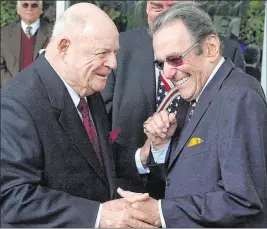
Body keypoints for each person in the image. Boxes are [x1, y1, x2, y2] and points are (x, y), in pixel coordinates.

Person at [1, 3, 159, 228]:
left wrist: (140, 157)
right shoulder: (16, 103)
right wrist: (98, 215)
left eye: (114, 52)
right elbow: (12, 198)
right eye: (103, 53)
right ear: (64, 47)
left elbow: (92, 153)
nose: (114, 63)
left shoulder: (86, 87)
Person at [119, 2, 267, 227]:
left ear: (210, 48)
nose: (167, 74)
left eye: (175, 59)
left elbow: (244, 201)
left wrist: (160, 212)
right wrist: (159, 146)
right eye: (161, 64)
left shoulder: (239, 96)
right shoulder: (194, 93)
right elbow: (184, 177)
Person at [101, 0, 245, 196]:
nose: (165, 15)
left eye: (174, 6)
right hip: (130, 192)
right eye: (157, 7)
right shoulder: (121, 48)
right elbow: (100, 125)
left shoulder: (227, 55)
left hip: (199, 201)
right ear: (146, 7)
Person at [1, 0, 53, 87]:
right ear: (17, 9)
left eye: (34, 5)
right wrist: (13, 85)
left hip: (43, 91)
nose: (29, 8)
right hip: (11, 91)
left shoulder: (53, 34)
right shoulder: (4, 33)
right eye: (25, 5)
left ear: (41, 10)